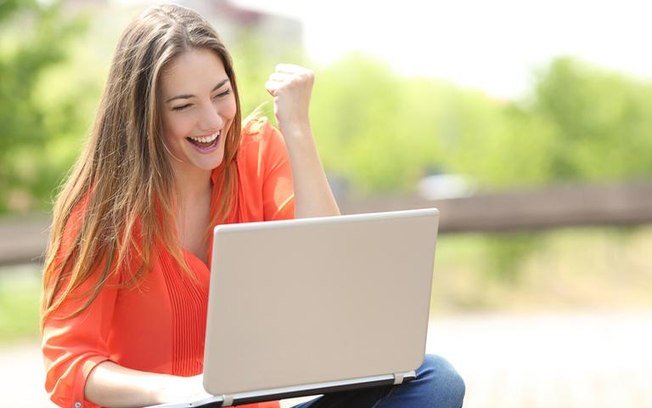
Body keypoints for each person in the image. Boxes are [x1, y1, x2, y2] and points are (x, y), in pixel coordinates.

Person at [40, 4, 465, 408]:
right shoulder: (99, 208)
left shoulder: (257, 153)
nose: (212, 121)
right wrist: (180, 391)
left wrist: (297, 127)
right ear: (143, 116)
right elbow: (68, 364)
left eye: (220, 94)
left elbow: (328, 273)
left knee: (435, 380)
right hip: (165, 404)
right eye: (184, 106)